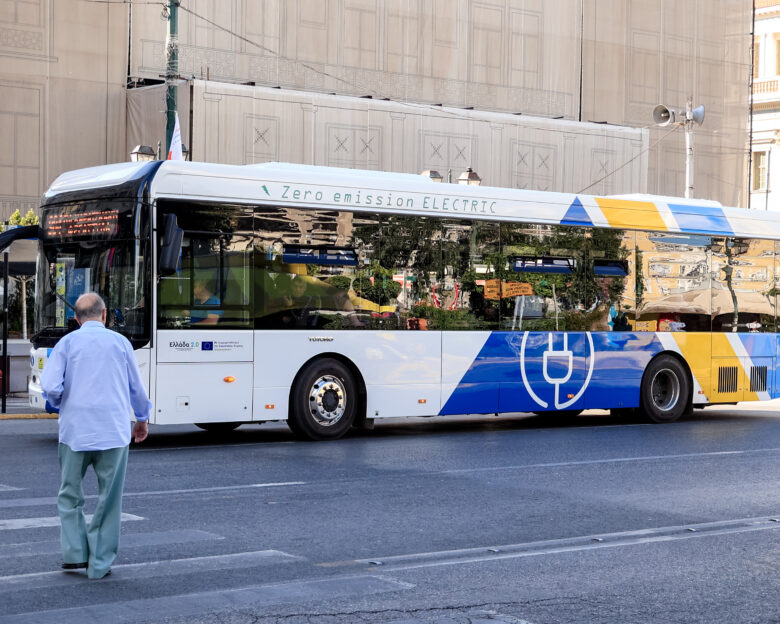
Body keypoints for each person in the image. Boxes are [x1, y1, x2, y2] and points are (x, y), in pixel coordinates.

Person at [40, 292, 151, 580]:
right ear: (104, 315)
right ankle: (99, 563)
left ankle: (75, 554)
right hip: (113, 432)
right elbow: (136, 388)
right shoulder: (120, 342)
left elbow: (51, 386)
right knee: (109, 498)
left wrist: (64, 399)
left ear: (76, 319)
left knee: (69, 495)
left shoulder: (66, 343)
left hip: (75, 431)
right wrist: (141, 419)